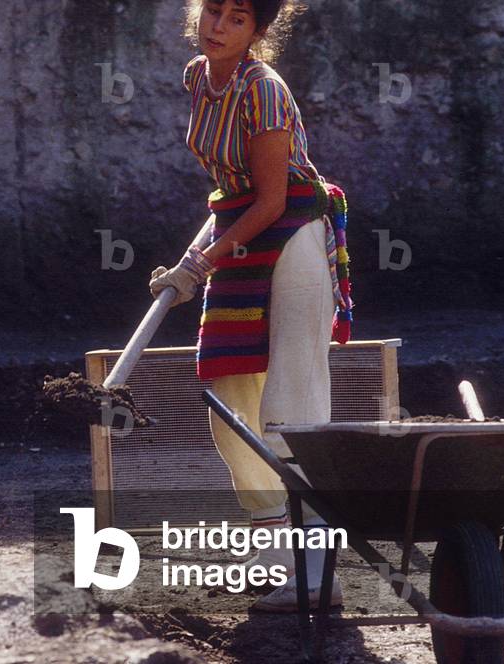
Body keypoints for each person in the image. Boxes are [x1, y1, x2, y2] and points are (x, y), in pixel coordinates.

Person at [149, 0, 354, 611]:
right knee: (230, 396)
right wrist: (190, 262)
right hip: (241, 238)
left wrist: (200, 264)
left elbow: (268, 199)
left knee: (292, 403)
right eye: (213, 10)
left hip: (292, 236)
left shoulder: (263, 90)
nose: (218, 26)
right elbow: (228, 197)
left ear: (258, 31)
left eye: (237, 19)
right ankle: (273, 561)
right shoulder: (198, 78)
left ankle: (319, 573)